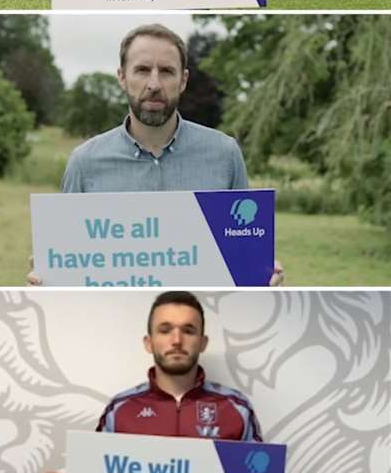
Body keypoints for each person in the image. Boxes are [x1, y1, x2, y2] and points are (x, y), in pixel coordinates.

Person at [29, 23, 280, 285]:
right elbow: (70, 266)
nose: (154, 84)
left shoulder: (225, 154)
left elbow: (244, 248)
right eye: (142, 70)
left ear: (183, 80)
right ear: (122, 77)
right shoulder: (84, 163)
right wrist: (48, 280)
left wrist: (263, 276)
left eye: (167, 72)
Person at [38, 290, 304, 473]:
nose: (177, 340)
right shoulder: (120, 409)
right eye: (165, 330)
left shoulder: (236, 407)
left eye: (188, 330)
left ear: (202, 342)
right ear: (149, 342)